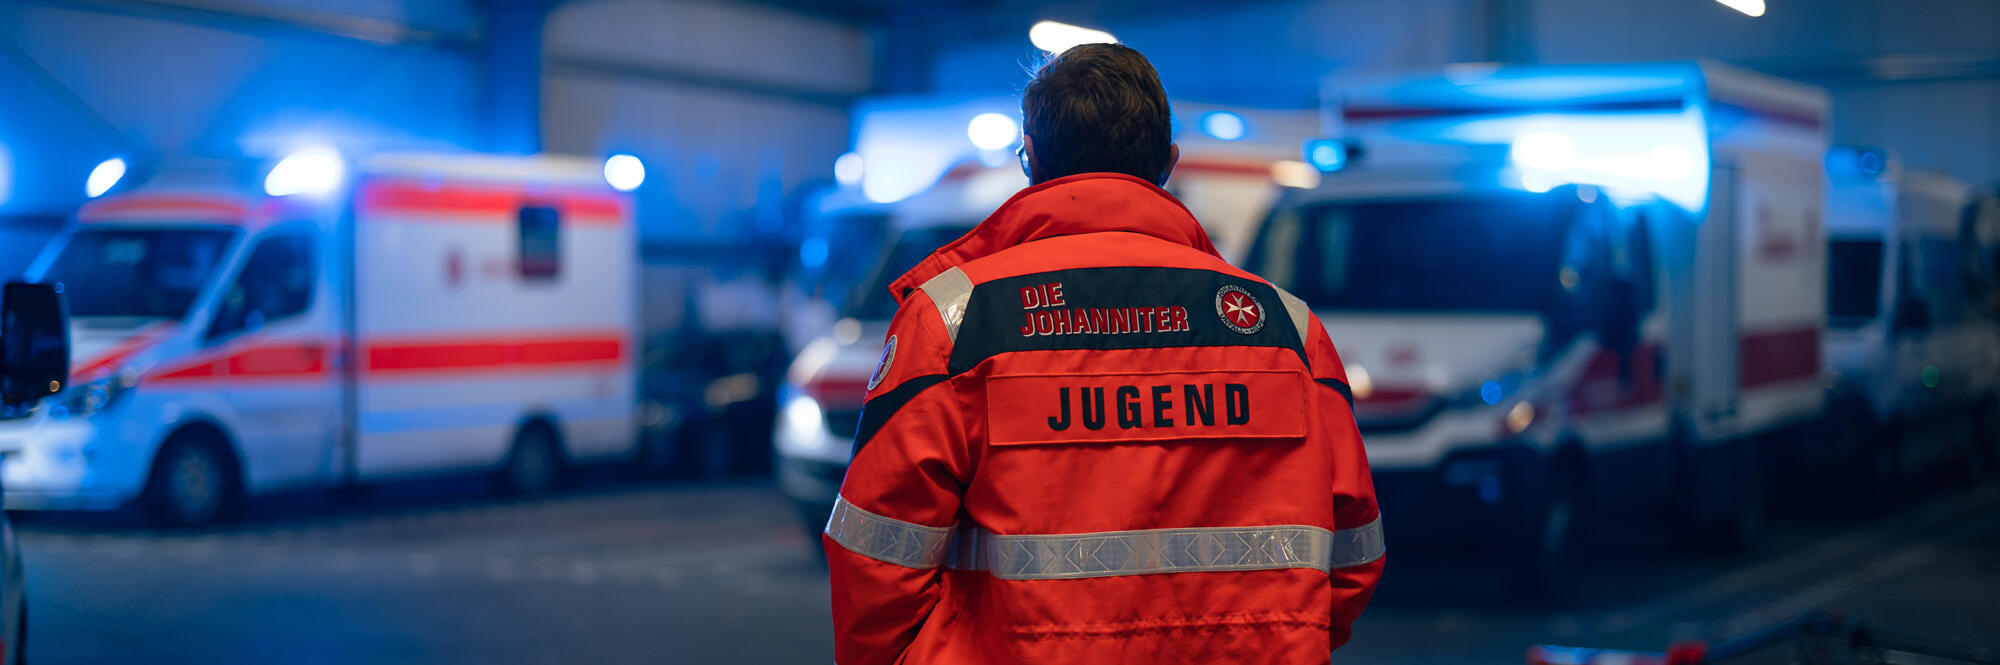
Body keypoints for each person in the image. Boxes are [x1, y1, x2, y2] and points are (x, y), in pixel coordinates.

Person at [824, 43, 1382, 664]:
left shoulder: (953, 321)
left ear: (1030, 157)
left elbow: (877, 561)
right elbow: (1353, 556)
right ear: (1168, 163)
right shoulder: (1285, 328)